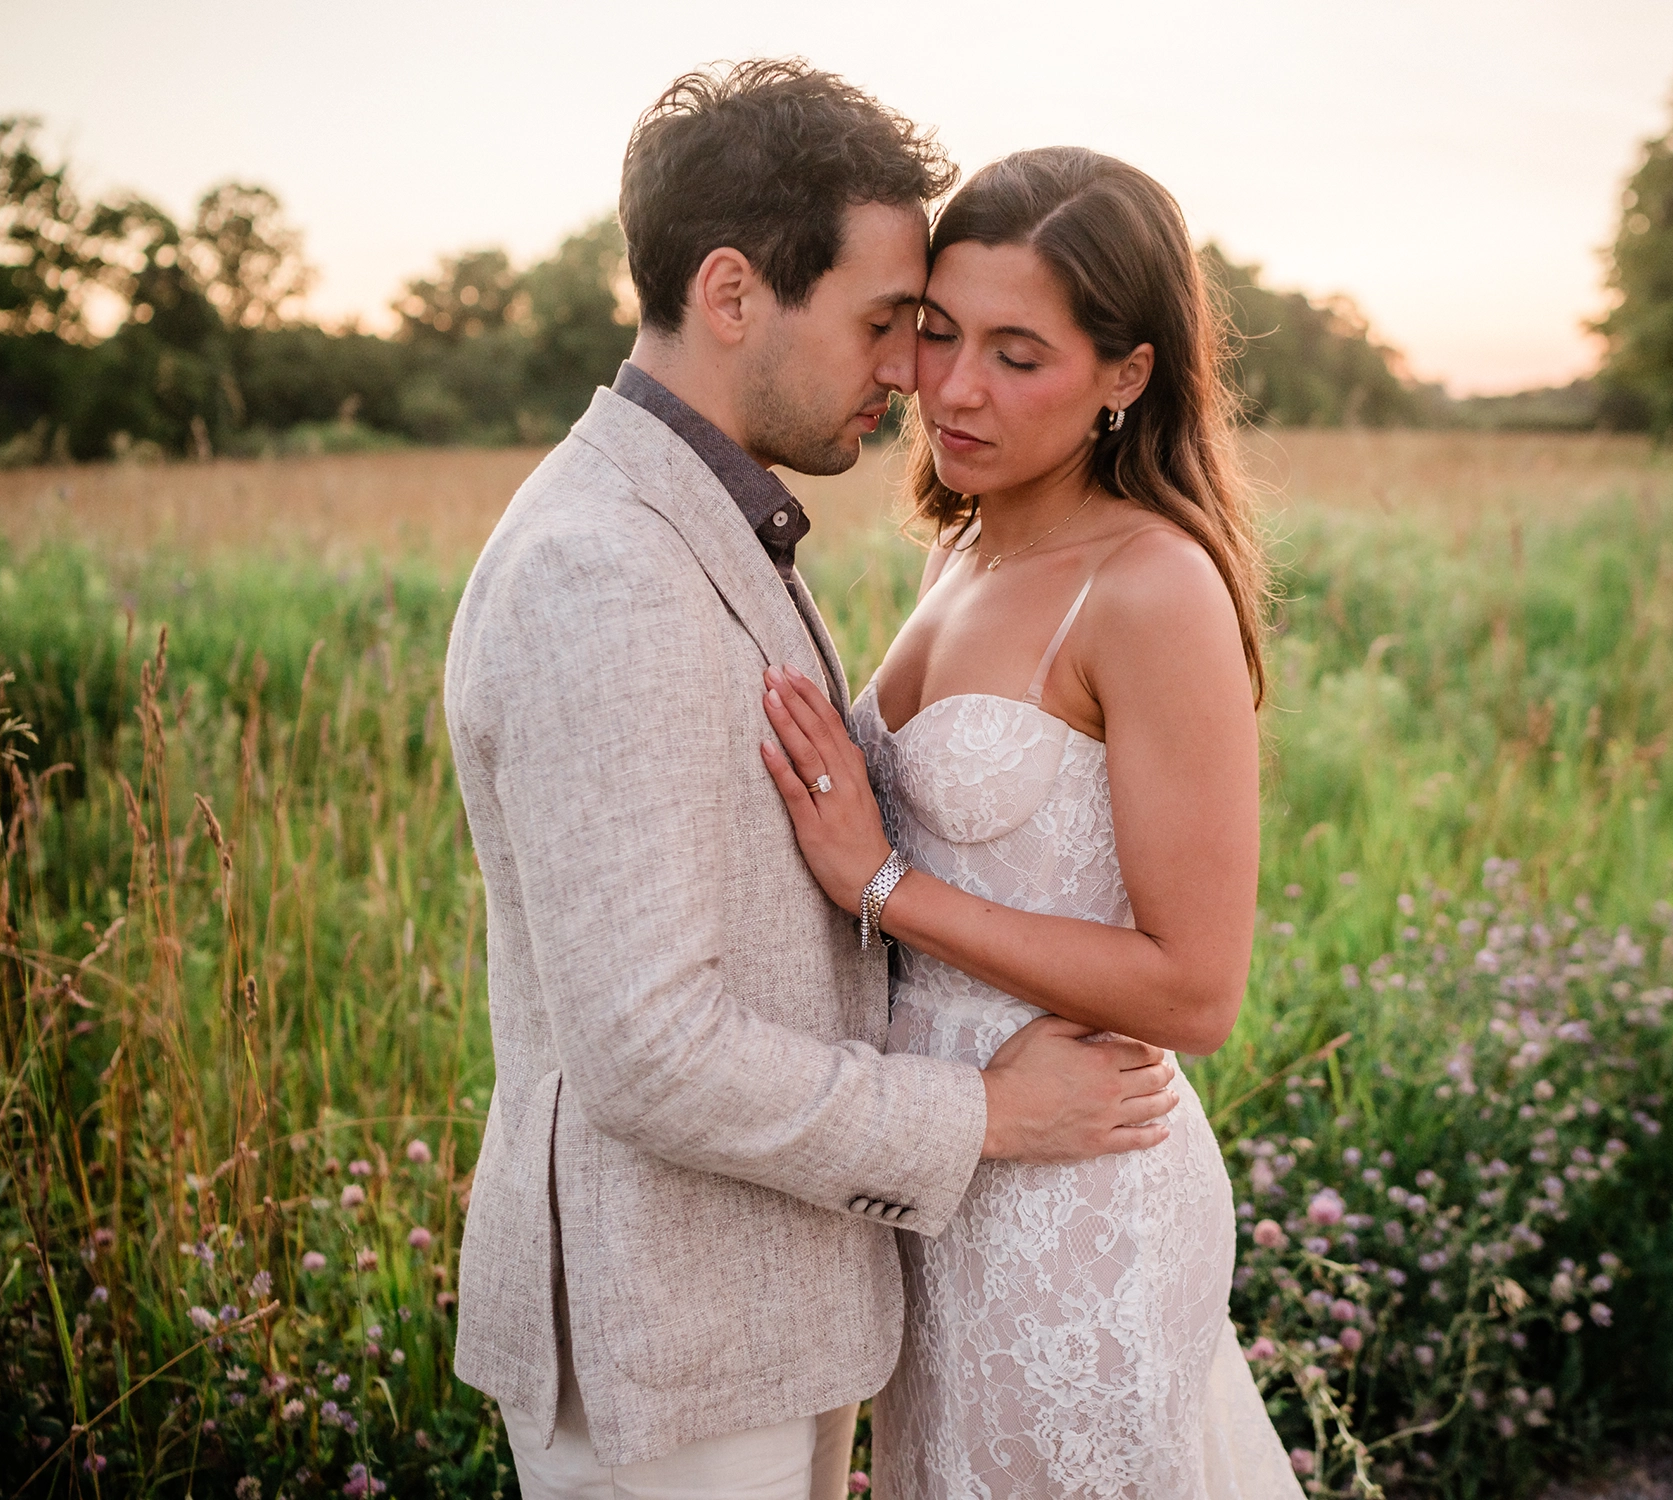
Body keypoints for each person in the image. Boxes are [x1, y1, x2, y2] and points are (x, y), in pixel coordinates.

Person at [443, 68, 1182, 1500]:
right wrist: (987, 1121)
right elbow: (649, 1049)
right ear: (732, 294)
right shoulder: (609, 569)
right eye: (886, 322)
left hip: (763, 1309)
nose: (911, 372)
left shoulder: (701, 522)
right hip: (676, 1341)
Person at [758, 147, 1303, 1497]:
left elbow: (1196, 985)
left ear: (1127, 373)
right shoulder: (969, 546)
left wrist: (884, 888)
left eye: (1018, 353)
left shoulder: (1150, 588)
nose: (952, 388)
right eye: (939, 334)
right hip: (945, 1173)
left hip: (1080, 1195)